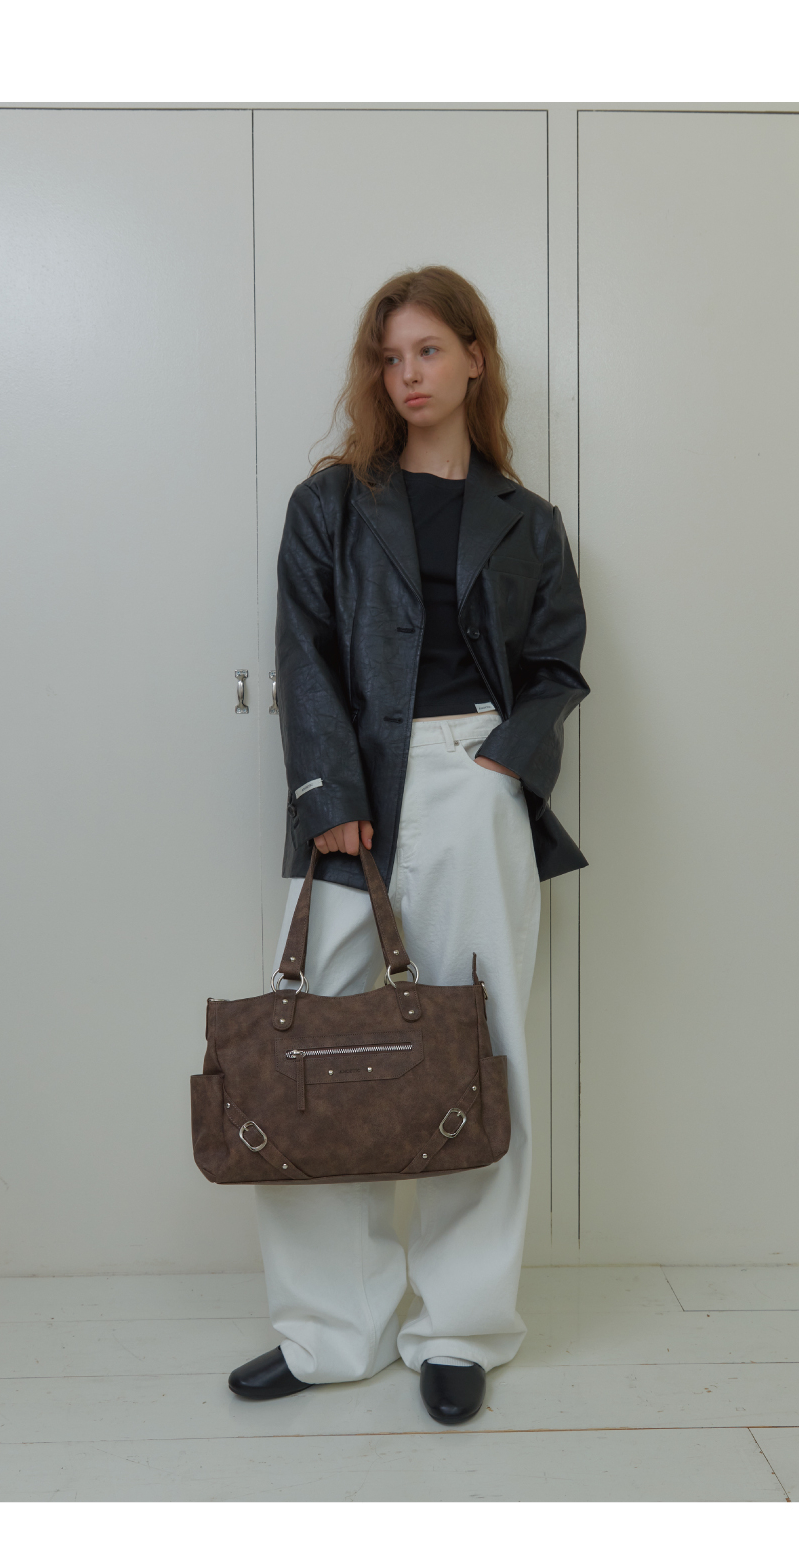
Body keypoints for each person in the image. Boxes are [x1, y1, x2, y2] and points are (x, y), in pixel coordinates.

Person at [229, 264, 587, 1420]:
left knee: (481, 1052)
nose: (408, 373)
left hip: (475, 784)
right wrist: (329, 787)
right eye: (390, 356)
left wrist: (501, 766)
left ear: (475, 357)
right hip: (355, 791)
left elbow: (557, 668)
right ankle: (329, 1329)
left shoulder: (530, 521)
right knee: (304, 1052)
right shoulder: (331, 502)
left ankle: (461, 1328)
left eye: (429, 348)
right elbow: (305, 649)